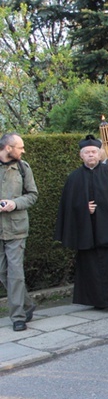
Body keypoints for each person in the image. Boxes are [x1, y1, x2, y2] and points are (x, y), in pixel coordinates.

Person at [54, 135, 108, 309]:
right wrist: (83, 208)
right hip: (89, 235)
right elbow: (68, 207)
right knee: (92, 267)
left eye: (94, 152)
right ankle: (98, 301)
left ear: (100, 153)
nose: (91, 155)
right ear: (81, 156)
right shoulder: (74, 178)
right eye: (87, 152)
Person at [0, 133, 38, 332]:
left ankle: (18, 317)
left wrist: (14, 203)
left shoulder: (23, 168)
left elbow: (32, 195)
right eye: (20, 147)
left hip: (16, 228)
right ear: (8, 148)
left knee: (15, 272)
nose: (23, 151)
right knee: (2, 272)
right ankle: (28, 304)